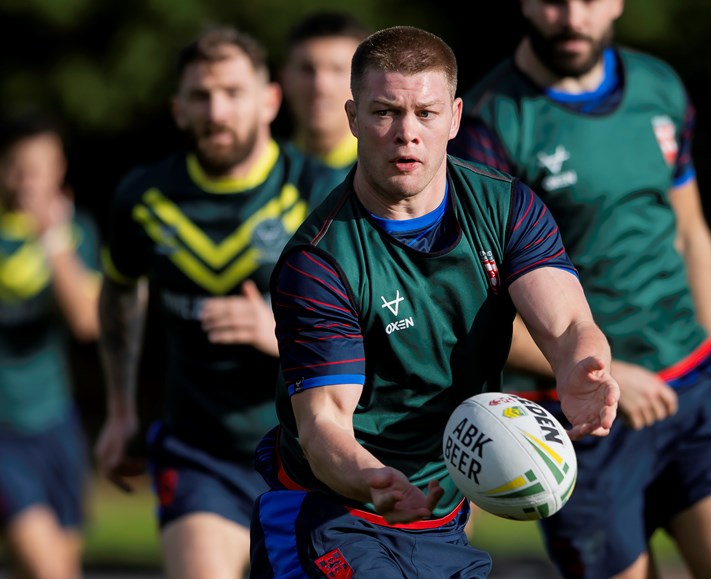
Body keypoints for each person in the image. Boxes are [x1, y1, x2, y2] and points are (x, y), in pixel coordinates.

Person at [249, 25, 620, 578]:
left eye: (425, 113)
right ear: (352, 118)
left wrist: (580, 367)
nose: (407, 134)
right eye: (385, 112)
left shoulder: (505, 208)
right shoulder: (321, 260)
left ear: (455, 118)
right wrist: (370, 480)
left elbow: (566, 321)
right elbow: (324, 424)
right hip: (327, 513)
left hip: (440, 521)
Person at [447, 1, 711, 578]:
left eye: (589, 0)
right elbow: (477, 307)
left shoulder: (659, 87)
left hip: (694, 385)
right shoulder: (486, 126)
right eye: (553, 1)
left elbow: (693, 239)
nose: (572, 17)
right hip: (578, 416)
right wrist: (604, 371)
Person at [93, 26, 341, 579]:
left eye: (232, 93)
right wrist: (120, 410)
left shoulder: (322, 193)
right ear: (178, 109)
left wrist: (278, 331)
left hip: (309, 453)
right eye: (201, 96)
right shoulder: (144, 197)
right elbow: (118, 294)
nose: (216, 110)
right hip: (199, 449)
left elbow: (374, 323)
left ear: (270, 101)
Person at [0, 113, 101, 579]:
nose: (28, 181)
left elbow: (86, 321)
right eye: (17, 167)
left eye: (40, 167)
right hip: (4, 429)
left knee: (61, 568)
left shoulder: (75, 231)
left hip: (55, 421)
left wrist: (51, 238)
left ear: (59, 168)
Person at [278, 10, 370, 173]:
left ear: (367, 81)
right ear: (285, 79)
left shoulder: (389, 173)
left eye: (337, 69)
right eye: (307, 70)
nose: (320, 86)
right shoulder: (261, 171)